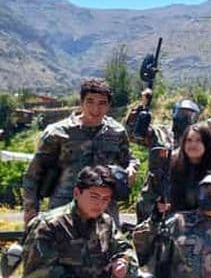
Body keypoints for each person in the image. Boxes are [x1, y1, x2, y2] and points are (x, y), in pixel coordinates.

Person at [22, 78, 138, 225]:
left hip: (104, 210)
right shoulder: (57, 133)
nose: (96, 109)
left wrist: (131, 169)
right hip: (64, 209)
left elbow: (129, 159)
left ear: (109, 105)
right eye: (90, 101)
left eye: (102, 103)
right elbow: (33, 174)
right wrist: (31, 211)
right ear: (81, 102)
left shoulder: (116, 132)